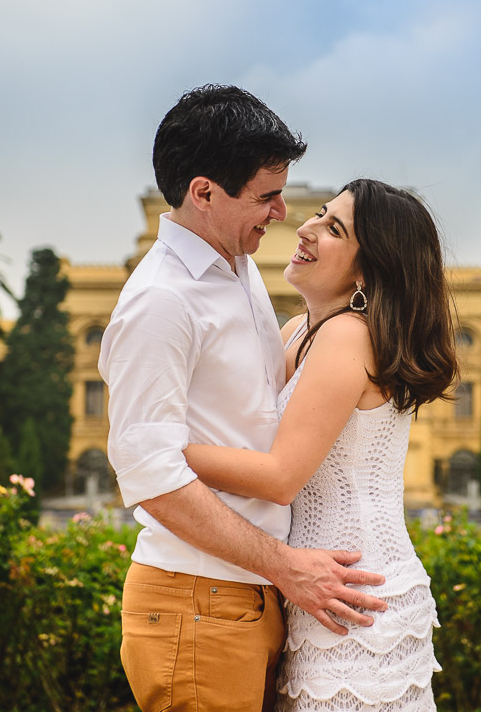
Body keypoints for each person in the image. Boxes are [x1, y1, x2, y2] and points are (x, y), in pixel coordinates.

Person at [99, 85, 388, 712]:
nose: (284, 212)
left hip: (240, 601)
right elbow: (152, 478)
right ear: (204, 193)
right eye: (267, 196)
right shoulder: (161, 302)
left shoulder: (239, 267)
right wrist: (284, 565)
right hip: (197, 603)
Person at [184, 178, 460, 710]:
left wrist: (160, 450)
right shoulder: (296, 332)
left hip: (353, 596)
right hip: (318, 591)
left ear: (366, 270)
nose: (306, 228)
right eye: (319, 215)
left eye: (334, 228)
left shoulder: (348, 335)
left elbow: (281, 475)